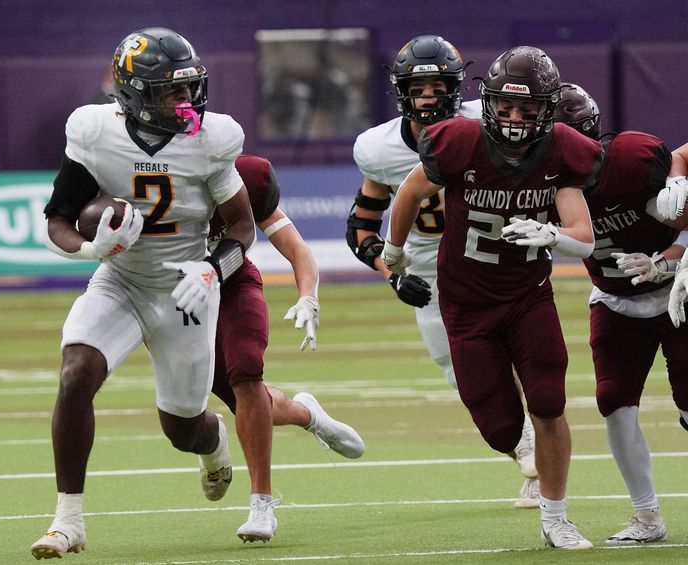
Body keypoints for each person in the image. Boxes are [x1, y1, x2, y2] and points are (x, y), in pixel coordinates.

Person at [30, 27, 256, 559]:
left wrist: (212, 270)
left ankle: (213, 442)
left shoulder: (214, 138)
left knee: (183, 428)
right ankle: (68, 521)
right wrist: (93, 251)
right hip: (122, 279)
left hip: (186, 289)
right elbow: (59, 218)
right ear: (132, 93)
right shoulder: (92, 131)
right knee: (76, 372)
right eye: (168, 92)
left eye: (189, 88)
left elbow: (242, 226)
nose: (185, 102)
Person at [381, 46, 601, 549]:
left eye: (527, 108)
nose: (514, 117)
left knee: (548, 402)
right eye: (505, 106)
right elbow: (411, 193)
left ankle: (556, 515)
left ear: (548, 108)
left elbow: (583, 236)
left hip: (528, 296)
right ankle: (525, 465)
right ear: (488, 102)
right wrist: (394, 251)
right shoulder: (458, 140)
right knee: (501, 429)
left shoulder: (564, 148)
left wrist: (554, 238)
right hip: (465, 303)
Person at [348, 35, 538, 508]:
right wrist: (391, 273)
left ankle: (541, 461)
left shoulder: (490, 120)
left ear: (456, 87)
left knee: (530, 361)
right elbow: (360, 226)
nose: (428, 95)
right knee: (465, 375)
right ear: (402, 91)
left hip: (498, 254)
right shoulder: (380, 148)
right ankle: (524, 449)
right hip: (432, 272)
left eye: (438, 85)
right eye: (419, 86)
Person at [555, 83, 688, 544]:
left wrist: (666, 261)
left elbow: (686, 221)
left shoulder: (631, 162)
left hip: (679, 293)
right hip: (614, 299)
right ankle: (647, 517)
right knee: (614, 403)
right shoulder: (540, 182)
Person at [210, 154, 365, 543]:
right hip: (171, 298)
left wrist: (308, 297)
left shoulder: (239, 180)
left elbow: (297, 249)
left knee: (247, 373)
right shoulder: (153, 176)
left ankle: (261, 504)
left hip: (231, 286)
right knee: (207, 399)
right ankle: (306, 415)